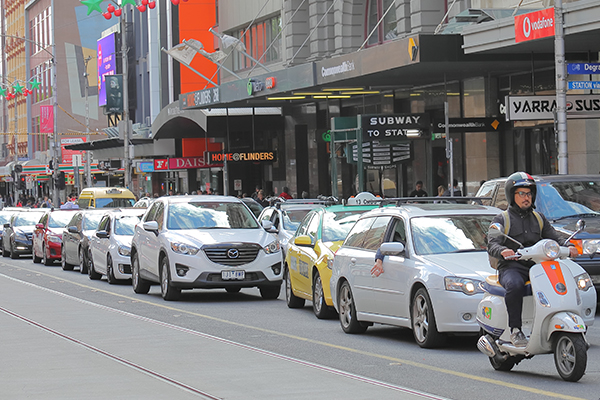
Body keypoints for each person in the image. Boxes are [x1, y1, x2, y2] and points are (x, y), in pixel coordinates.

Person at [487, 172, 578, 347]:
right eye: (521, 193)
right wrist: (503, 250)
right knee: (515, 285)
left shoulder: (539, 218)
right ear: (512, 195)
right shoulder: (502, 219)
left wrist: (568, 247)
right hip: (513, 267)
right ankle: (515, 330)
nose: (526, 197)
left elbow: (554, 238)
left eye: (529, 194)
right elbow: (492, 243)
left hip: (538, 265)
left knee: (561, 282)